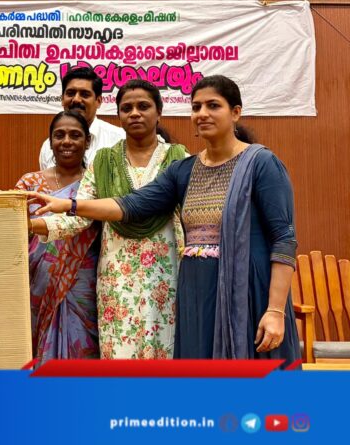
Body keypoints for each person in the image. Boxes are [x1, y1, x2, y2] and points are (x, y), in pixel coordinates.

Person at [29, 75, 300, 363]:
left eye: (213, 105)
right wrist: (69, 205)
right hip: (195, 290)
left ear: (235, 112)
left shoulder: (260, 163)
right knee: (199, 374)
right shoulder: (186, 169)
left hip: (241, 287)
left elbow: (284, 238)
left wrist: (275, 310)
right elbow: (132, 204)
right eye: (196, 107)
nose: (202, 114)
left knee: (249, 377)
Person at [33, 80, 187, 359]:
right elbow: (79, 216)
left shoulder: (179, 160)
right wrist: (32, 225)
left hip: (167, 274)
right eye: (127, 108)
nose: (134, 113)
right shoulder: (103, 161)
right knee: (119, 355)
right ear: (118, 115)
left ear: (159, 112)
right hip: (117, 278)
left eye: (143, 106)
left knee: (166, 352)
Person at [16, 110, 100, 364]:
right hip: (38, 281)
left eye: (75, 135)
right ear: (50, 141)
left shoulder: (97, 183)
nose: (66, 141)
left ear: (87, 141)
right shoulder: (29, 183)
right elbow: (13, 231)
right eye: (59, 135)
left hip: (83, 282)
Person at [38, 67, 124, 170]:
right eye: (70, 93)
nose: (76, 99)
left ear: (98, 101)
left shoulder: (119, 139)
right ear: (62, 99)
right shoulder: (48, 146)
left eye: (84, 94)